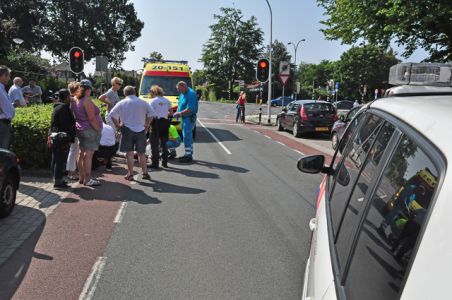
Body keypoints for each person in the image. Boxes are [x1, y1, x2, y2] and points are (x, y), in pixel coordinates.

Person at [109, 85, 155, 181]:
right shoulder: (143, 102)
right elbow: (152, 114)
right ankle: (145, 172)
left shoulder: (122, 102)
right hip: (141, 129)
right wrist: (146, 124)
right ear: (134, 92)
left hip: (126, 129)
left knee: (129, 153)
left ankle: (130, 174)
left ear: (125, 93)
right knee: (141, 153)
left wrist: (118, 125)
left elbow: (112, 114)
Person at [72, 79, 103, 187]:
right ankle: (88, 179)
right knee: (88, 156)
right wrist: (98, 129)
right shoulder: (86, 100)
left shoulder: (75, 99)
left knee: (81, 154)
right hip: (90, 130)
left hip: (80, 130)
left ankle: (81, 178)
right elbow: (92, 118)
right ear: (88, 89)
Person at [48, 89, 76, 188]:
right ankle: (58, 181)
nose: (71, 98)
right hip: (61, 138)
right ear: (66, 97)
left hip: (55, 136)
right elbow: (67, 124)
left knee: (55, 159)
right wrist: (70, 137)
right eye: (69, 96)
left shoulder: (56, 107)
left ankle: (56, 179)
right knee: (60, 160)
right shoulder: (64, 107)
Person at [172, 81, 198, 163]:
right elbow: (180, 104)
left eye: (180, 89)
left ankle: (188, 155)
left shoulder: (191, 94)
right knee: (186, 136)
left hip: (189, 117)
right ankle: (188, 153)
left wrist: (179, 113)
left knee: (187, 136)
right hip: (184, 117)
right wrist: (178, 113)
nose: (179, 91)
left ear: (184, 86)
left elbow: (190, 108)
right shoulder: (183, 93)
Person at [148, 85, 172, 169]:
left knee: (154, 144)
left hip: (156, 123)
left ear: (154, 92)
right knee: (164, 143)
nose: (150, 94)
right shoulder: (167, 101)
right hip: (165, 123)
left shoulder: (153, 101)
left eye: (151, 92)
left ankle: (155, 163)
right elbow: (171, 113)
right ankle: (165, 162)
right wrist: (164, 114)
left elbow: (149, 114)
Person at [66, 82, 81, 180]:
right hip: (73, 127)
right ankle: (71, 172)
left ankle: (72, 170)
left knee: (74, 149)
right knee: (74, 149)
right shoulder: (73, 100)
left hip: (72, 127)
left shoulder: (69, 99)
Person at [0, 66, 15, 149]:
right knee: (2, 151)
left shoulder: (2, 88)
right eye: (8, 76)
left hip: (5, 123)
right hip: (2, 123)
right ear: (3, 76)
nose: (9, 78)